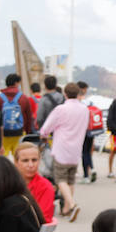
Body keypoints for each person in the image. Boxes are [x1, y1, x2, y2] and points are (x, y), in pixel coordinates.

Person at [38, 82, 88, 222]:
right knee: (70, 180)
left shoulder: (61, 109)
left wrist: (44, 134)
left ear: (65, 94)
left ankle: (71, 204)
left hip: (61, 149)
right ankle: (66, 209)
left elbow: (46, 128)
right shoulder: (84, 109)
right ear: (78, 94)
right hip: (76, 150)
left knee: (60, 179)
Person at [0, 73, 37, 158]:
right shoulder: (23, 98)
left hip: (4, 134)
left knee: (2, 158)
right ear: (16, 83)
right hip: (19, 132)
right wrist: (27, 132)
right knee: (19, 158)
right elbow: (29, 117)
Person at [12, 142, 55, 224]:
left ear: (39, 161)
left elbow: (43, 219)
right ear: (16, 162)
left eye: (34, 160)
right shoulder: (9, 184)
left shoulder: (45, 186)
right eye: (25, 161)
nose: (31, 165)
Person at [78, 81, 102, 182]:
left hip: (82, 131)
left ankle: (86, 176)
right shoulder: (89, 102)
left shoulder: (78, 102)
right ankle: (92, 168)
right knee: (88, 151)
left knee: (84, 152)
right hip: (91, 130)